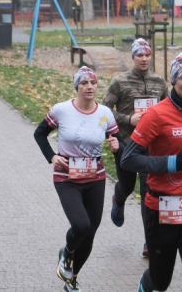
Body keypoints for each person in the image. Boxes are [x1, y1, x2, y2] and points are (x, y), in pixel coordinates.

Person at [122, 52, 182, 292]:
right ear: (174, 81)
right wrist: (173, 163)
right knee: (160, 280)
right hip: (161, 207)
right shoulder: (156, 116)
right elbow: (129, 159)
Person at [33, 66, 122, 292]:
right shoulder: (62, 110)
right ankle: (67, 252)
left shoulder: (105, 113)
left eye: (93, 82)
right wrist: (52, 156)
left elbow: (117, 140)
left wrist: (116, 146)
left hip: (95, 178)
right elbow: (40, 133)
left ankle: (71, 278)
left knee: (90, 233)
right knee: (81, 225)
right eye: (84, 83)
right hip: (67, 178)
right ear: (77, 87)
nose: (89, 87)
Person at [102, 38, 169, 257]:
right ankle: (118, 198)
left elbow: (170, 109)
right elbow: (103, 110)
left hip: (151, 145)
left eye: (147, 55)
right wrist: (129, 120)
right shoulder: (120, 82)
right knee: (128, 186)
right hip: (127, 144)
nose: (143, 59)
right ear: (133, 57)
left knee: (148, 191)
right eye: (139, 55)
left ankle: (149, 241)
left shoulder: (160, 82)